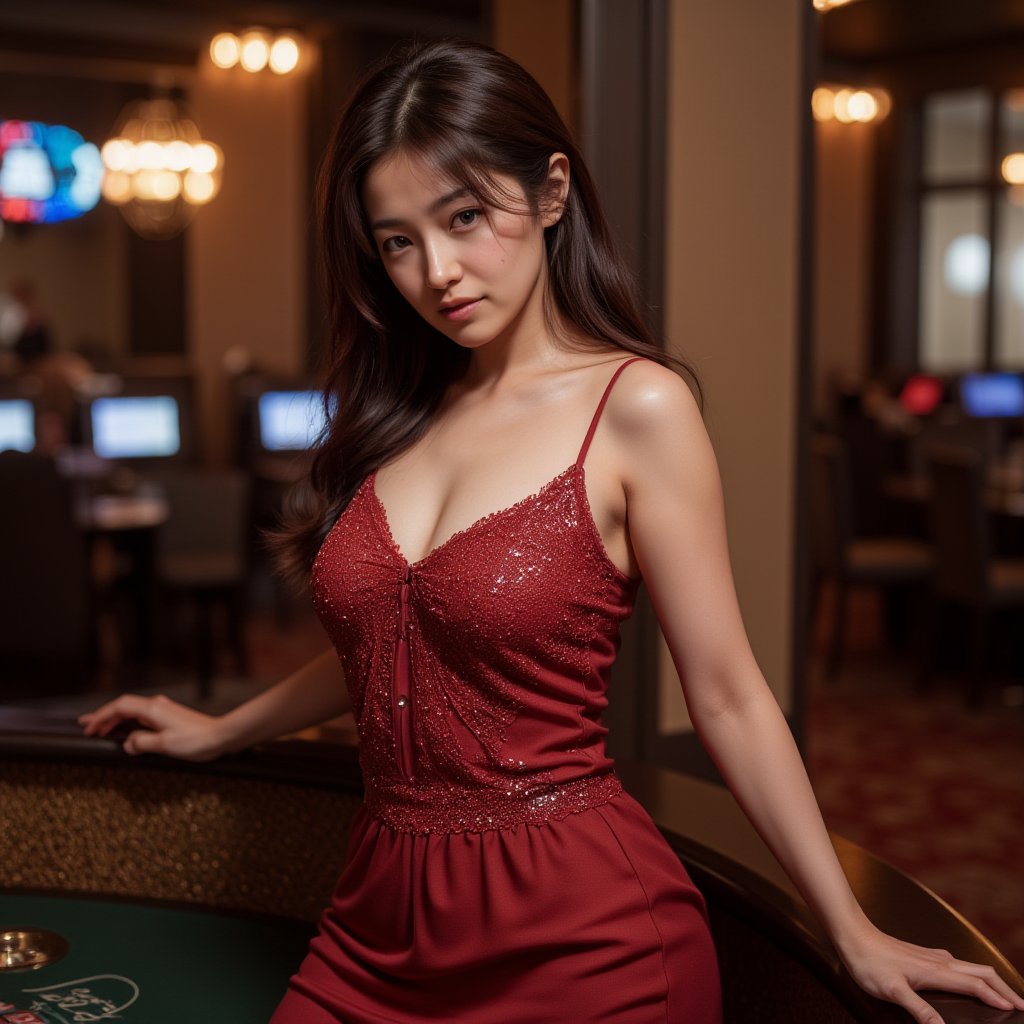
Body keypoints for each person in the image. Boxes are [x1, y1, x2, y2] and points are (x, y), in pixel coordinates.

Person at [77, 38, 1024, 1024]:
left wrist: (848, 927)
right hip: (374, 926)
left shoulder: (636, 406)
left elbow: (731, 693)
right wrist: (224, 727)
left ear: (551, 192)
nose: (436, 271)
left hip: (583, 938)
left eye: (466, 217)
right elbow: (393, 643)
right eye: (396, 241)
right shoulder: (402, 412)